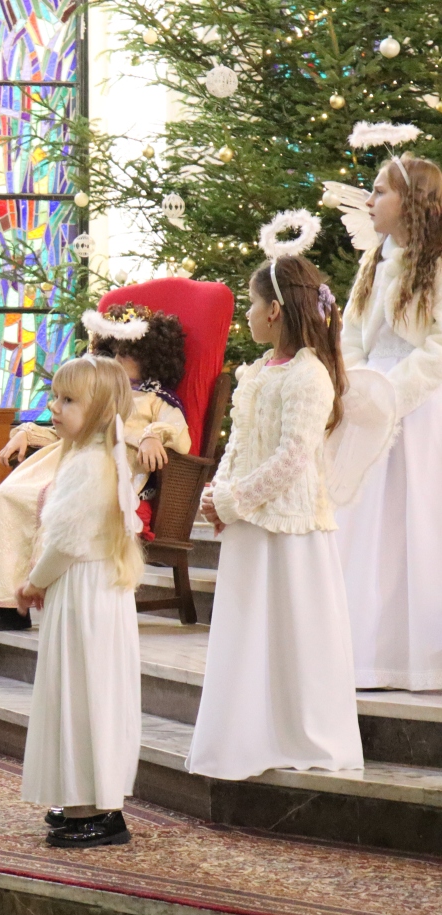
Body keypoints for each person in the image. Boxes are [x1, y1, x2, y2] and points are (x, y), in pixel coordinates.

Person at [188, 256, 363, 780]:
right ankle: (246, 735)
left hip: (291, 529)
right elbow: (240, 440)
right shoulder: (260, 370)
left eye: (251, 302)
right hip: (249, 521)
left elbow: (293, 458)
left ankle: (300, 732)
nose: (246, 312)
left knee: (294, 635)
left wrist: (233, 500)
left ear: (275, 310)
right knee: (247, 633)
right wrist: (218, 491)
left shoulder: (310, 375)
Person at [0, 305, 192, 631]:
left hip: (112, 466)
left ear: (149, 358)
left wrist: (152, 435)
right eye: (112, 352)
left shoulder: (157, 399)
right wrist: (27, 433)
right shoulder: (95, 389)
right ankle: (5, 602)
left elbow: (180, 434)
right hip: (68, 457)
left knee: (42, 499)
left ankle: (34, 591)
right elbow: (72, 427)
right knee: (8, 496)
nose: (116, 360)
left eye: (125, 354)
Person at [15, 356, 145, 848]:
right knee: (83, 694)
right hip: (90, 590)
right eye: (55, 396)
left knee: (85, 696)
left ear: (101, 410)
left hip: (85, 593)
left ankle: (101, 811)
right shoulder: (92, 456)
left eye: (68, 400)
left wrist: (32, 583)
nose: (55, 407)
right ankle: (80, 799)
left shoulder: (90, 464)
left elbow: (66, 541)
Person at [336, 154, 442, 691]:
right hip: (368, 400)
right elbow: (352, 334)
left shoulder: (437, 265)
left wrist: (393, 394)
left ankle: (414, 654)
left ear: (413, 201)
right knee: (365, 521)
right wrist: (356, 385)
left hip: (419, 406)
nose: (370, 199)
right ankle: (365, 651)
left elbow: (438, 346)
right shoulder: (374, 261)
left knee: (413, 519)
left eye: (380, 191)